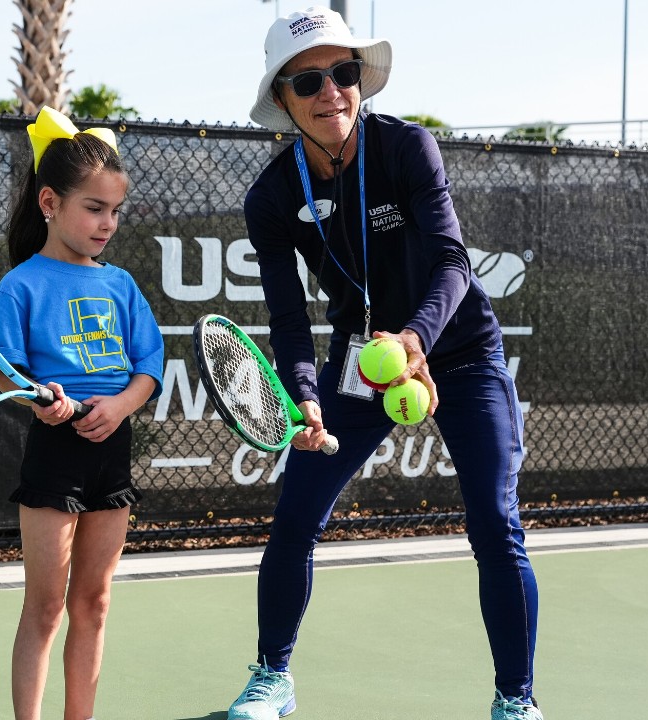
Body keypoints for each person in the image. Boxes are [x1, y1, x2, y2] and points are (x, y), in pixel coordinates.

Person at [227, 7, 542, 720]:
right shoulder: (272, 199)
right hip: (357, 364)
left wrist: (415, 340)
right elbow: (286, 315)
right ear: (282, 98)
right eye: (309, 81)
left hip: (459, 352)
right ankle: (272, 677)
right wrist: (303, 394)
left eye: (344, 73)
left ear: (360, 79)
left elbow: (453, 260)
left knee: (496, 523)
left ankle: (516, 701)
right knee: (296, 513)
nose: (331, 92)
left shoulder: (407, 149)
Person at [0, 106, 165, 720]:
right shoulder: (19, 287)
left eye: (115, 211)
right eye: (94, 208)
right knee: (45, 605)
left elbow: (150, 368)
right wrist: (45, 403)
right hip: (55, 457)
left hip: (112, 451)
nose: (107, 224)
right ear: (49, 202)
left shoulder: (120, 286)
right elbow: (9, 374)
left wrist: (117, 406)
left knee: (93, 602)